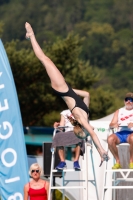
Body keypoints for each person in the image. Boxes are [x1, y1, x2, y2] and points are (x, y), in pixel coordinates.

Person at [25, 22, 109, 163]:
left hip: (62, 88)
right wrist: (71, 90)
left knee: (45, 60)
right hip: (65, 88)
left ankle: (31, 36)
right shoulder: (86, 113)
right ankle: (30, 37)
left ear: (84, 128)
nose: (90, 129)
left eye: (86, 131)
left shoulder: (81, 119)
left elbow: (93, 134)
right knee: (46, 60)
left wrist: (101, 151)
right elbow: (87, 94)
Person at [107, 92, 133, 169]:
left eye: (131, 100)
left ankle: (131, 161)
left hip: (131, 133)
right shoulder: (119, 111)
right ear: (124, 101)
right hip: (120, 133)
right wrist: (114, 124)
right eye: (127, 99)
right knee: (110, 139)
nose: (128, 101)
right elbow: (111, 124)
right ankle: (118, 161)